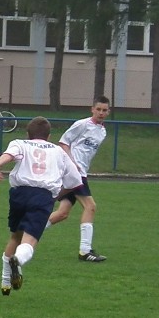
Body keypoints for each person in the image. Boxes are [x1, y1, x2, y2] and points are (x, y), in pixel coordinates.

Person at [0, 116, 83, 295]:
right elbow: (74, 182)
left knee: (15, 236)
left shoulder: (20, 143)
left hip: (18, 194)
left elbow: (10, 155)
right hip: (42, 195)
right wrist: (55, 196)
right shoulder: (58, 151)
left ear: (28, 134)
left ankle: (5, 282)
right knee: (29, 241)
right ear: (48, 136)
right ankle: (17, 259)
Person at [47, 95, 110, 262]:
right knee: (90, 206)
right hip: (74, 173)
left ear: (108, 112)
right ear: (92, 109)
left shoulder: (102, 131)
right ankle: (85, 251)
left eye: (104, 110)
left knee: (62, 213)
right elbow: (63, 143)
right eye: (98, 109)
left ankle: (27, 232)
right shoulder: (82, 124)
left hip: (80, 172)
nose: (101, 113)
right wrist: (72, 164)